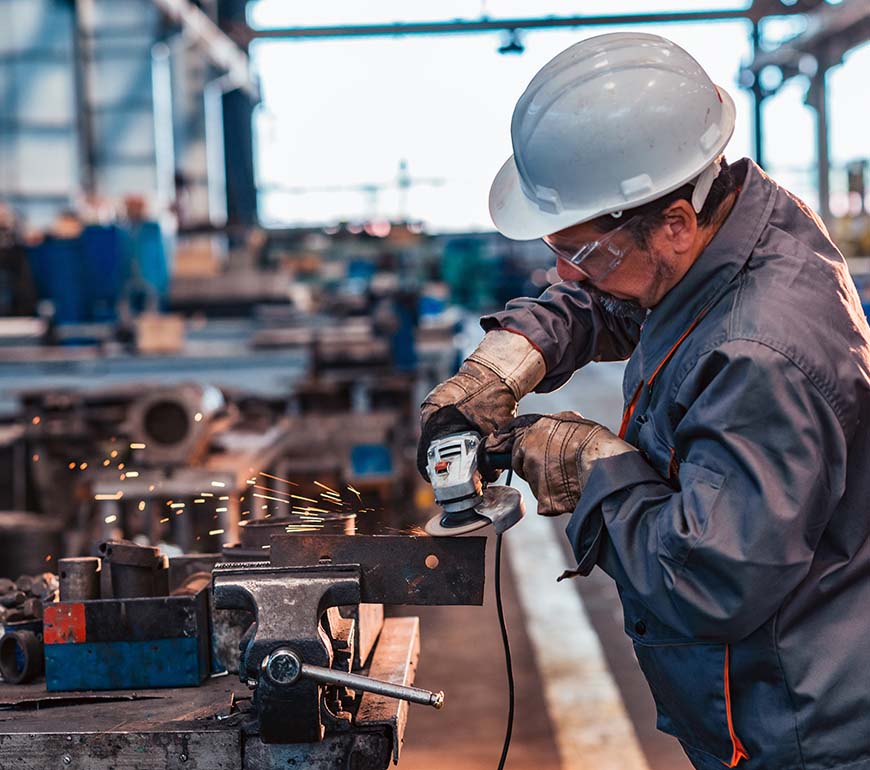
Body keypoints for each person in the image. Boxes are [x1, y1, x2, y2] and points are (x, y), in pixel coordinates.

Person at [418, 32, 870, 770]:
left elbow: (709, 577)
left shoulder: (762, 355)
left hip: (801, 731)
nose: (566, 273)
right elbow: (611, 299)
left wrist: (590, 464)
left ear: (675, 223)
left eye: (581, 252)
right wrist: (501, 366)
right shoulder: (735, 223)